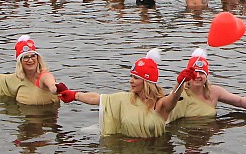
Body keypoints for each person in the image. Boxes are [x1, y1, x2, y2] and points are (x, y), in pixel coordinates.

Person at [59, 49, 187, 136]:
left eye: (136, 78)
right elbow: (98, 99)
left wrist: (180, 83)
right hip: (129, 150)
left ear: (147, 82)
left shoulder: (160, 105)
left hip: (154, 153)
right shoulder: (125, 99)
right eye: (131, 76)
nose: (131, 81)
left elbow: (174, 97)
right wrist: (74, 95)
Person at [0, 35, 61, 105]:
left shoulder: (44, 76)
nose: (30, 60)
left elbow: (52, 86)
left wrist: (58, 89)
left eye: (33, 56)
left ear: (38, 58)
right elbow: (3, 79)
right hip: (24, 119)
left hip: (46, 119)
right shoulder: (17, 78)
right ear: (20, 62)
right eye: (25, 57)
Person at [166, 49, 246, 120]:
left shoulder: (214, 92)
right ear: (188, 75)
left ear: (206, 75)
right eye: (194, 73)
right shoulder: (179, 93)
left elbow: (239, 101)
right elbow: (166, 106)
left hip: (208, 133)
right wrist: (178, 83)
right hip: (188, 134)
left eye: (201, 73)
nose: (198, 76)